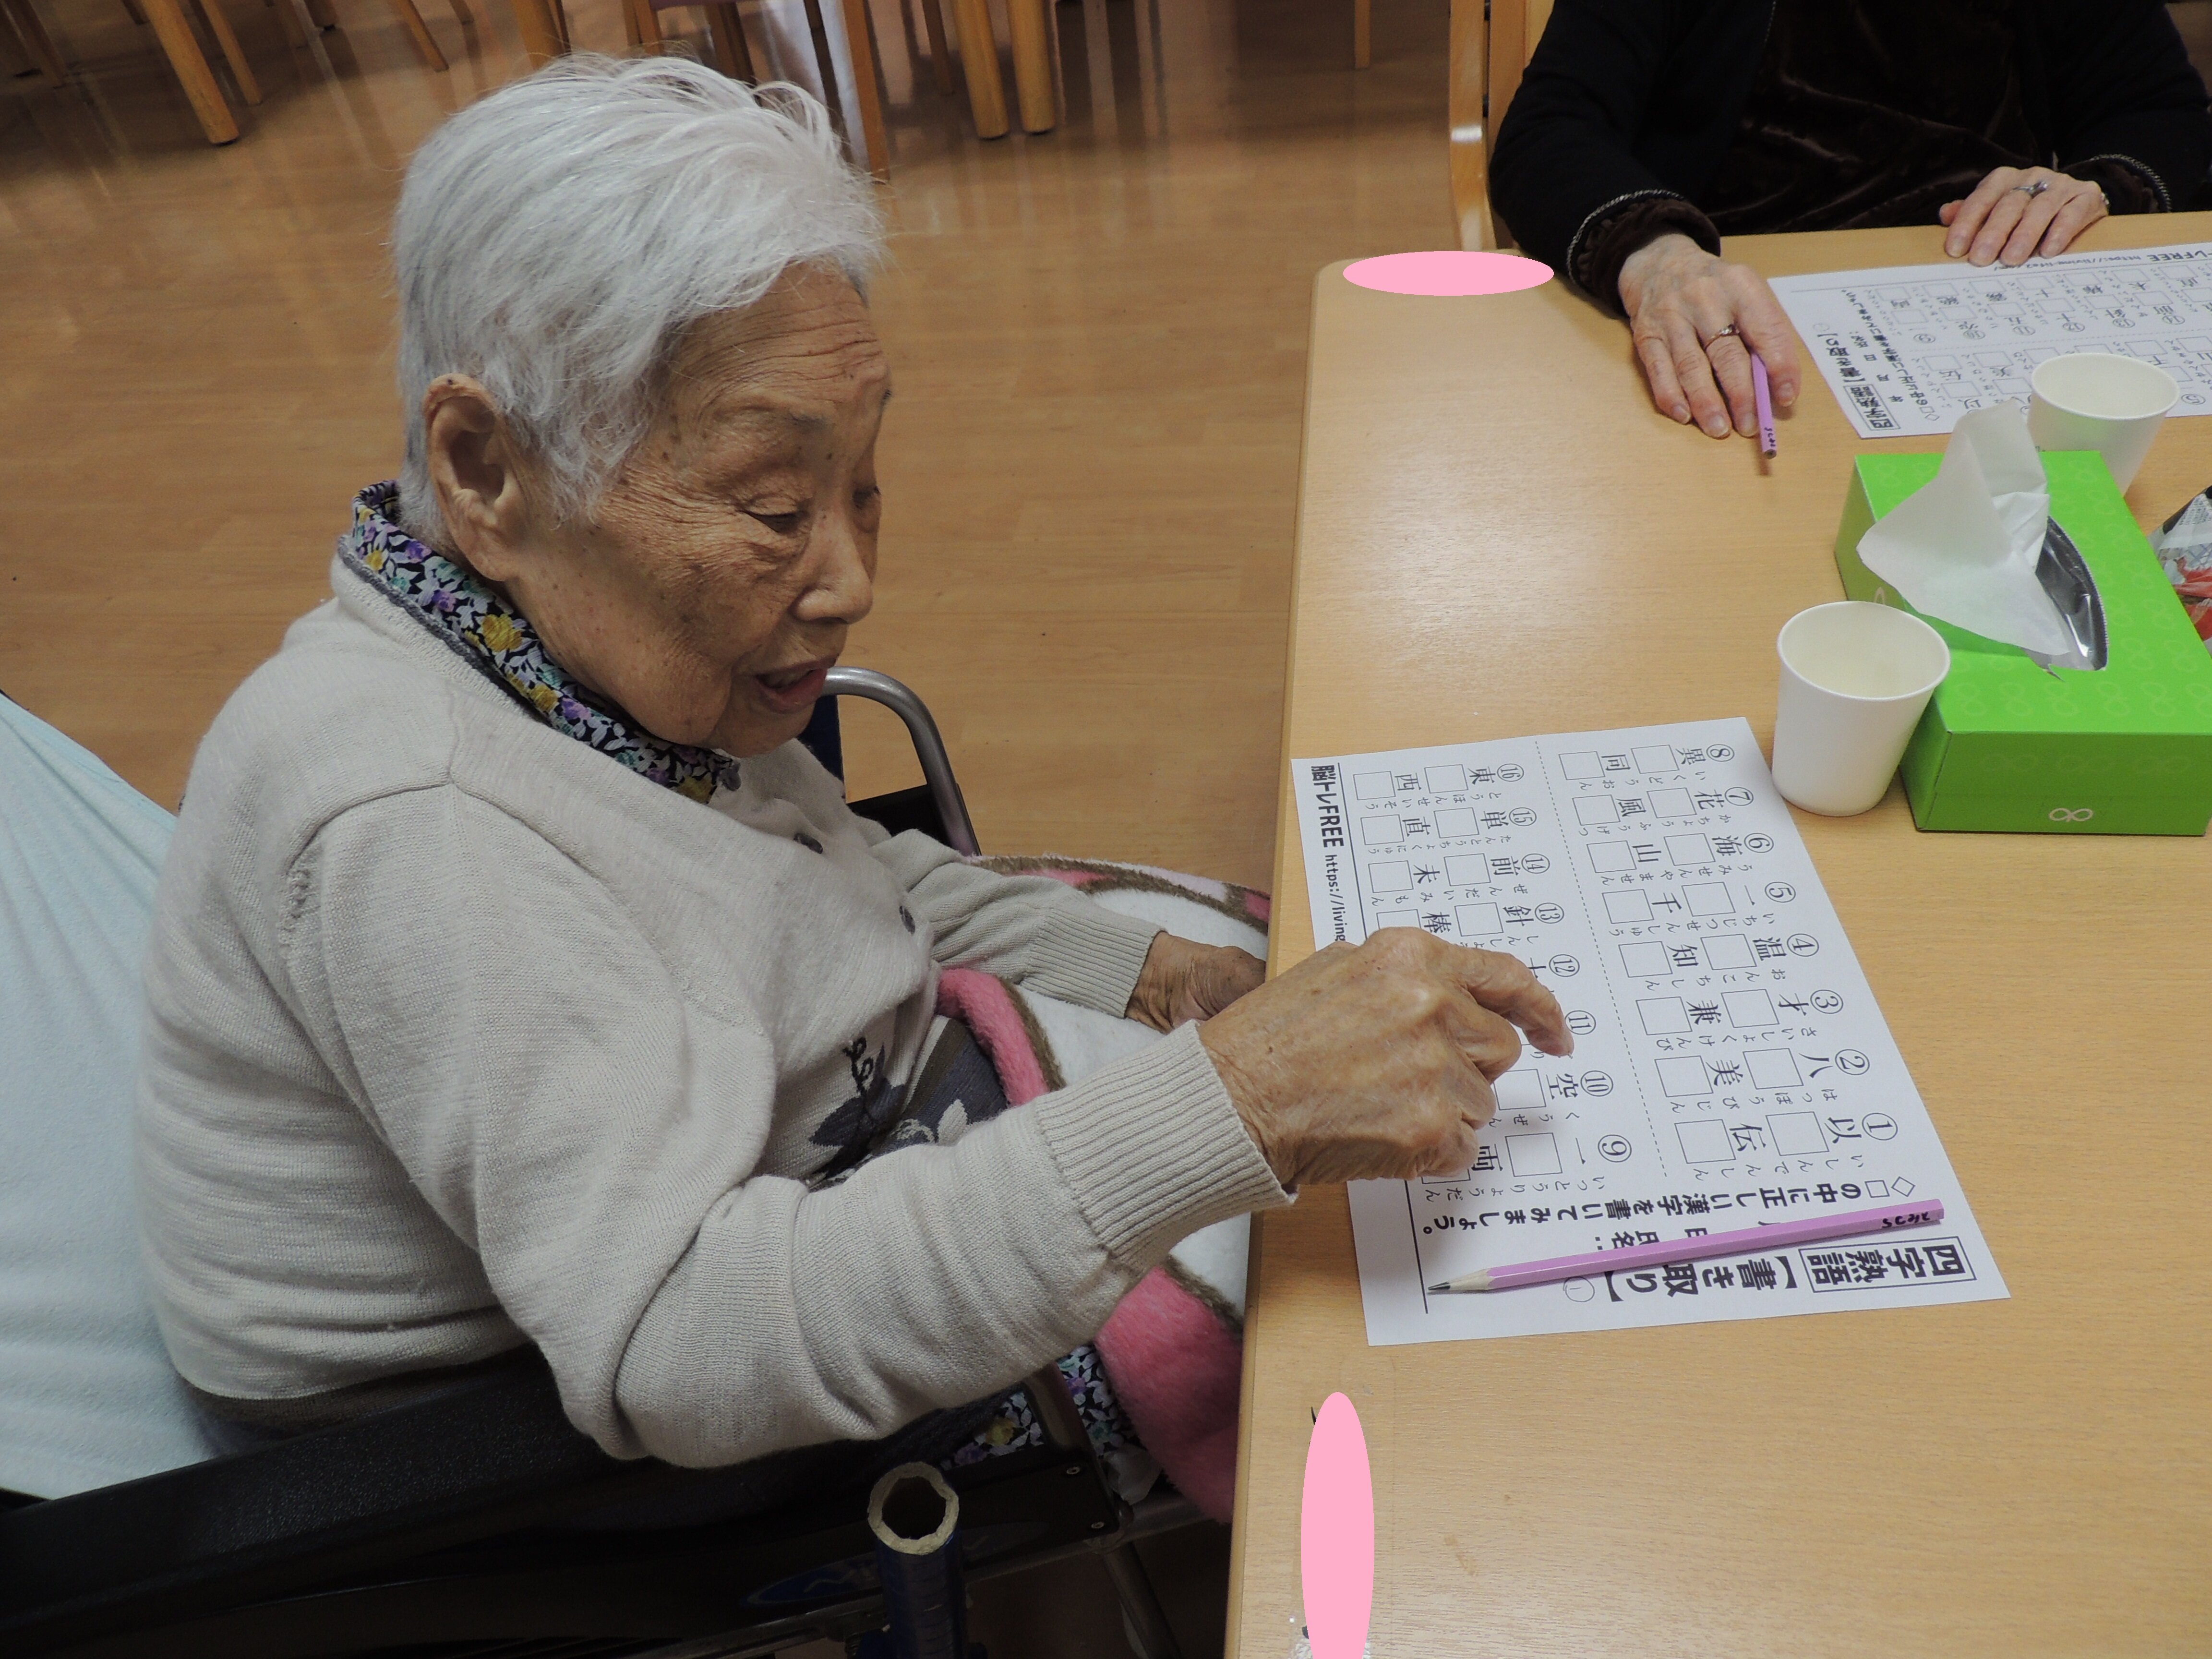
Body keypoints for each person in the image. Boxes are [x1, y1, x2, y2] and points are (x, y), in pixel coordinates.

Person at [134, 56, 1569, 1477]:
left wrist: (1140, 973)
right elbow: (677, 1345)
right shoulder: (425, 832)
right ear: (484, 469)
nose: (850, 580)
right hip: (531, 1436)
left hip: (811, 1126)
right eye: (774, 506)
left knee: (1298, 996)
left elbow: (819, 882)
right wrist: (1235, 1105)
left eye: (862, 485)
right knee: (1399, 1329)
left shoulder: (569, 653)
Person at [1490, 0, 2212, 441]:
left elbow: (2155, 107)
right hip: (1738, 297)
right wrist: (1653, 251)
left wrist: (2100, 184)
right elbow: (1549, 132)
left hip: (1986, 291)